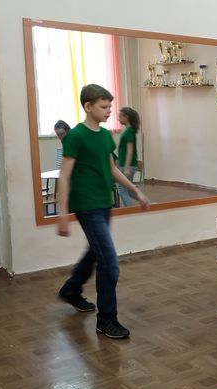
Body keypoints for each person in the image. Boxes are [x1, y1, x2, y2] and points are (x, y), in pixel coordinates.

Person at [56, 84, 150, 339]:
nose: (109, 111)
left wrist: (135, 190)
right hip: (86, 205)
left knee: (96, 252)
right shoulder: (76, 136)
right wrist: (62, 214)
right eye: (104, 106)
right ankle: (106, 320)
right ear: (88, 106)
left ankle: (71, 289)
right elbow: (64, 176)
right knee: (109, 263)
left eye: (110, 106)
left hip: (102, 203)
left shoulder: (105, 136)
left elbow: (112, 169)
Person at [116, 107, 140, 206]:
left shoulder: (129, 131)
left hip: (128, 166)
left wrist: (126, 168)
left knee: (122, 190)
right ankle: (147, 203)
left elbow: (130, 150)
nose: (118, 119)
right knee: (129, 191)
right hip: (126, 165)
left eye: (120, 116)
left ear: (126, 117)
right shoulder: (128, 131)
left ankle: (129, 211)